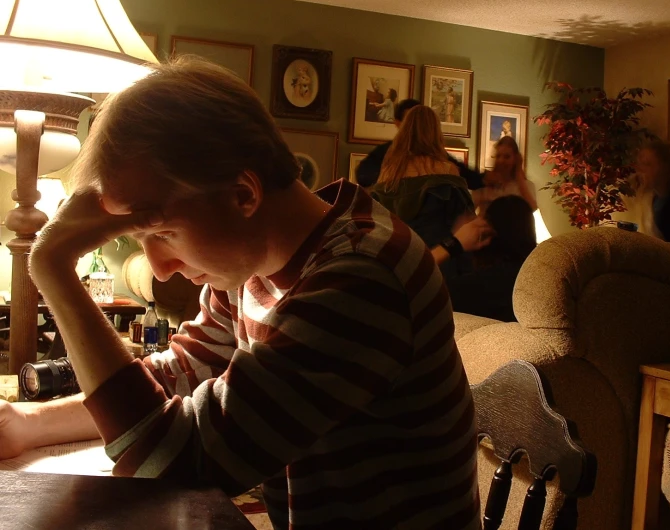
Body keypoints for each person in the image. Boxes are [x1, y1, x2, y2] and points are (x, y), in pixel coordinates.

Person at [1, 58, 480, 530]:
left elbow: (168, 464)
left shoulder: (360, 280)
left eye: (163, 231)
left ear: (243, 195)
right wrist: (26, 424)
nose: (161, 270)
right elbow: (177, 378)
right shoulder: (252, 266)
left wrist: (53, 270)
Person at [370, 105, 490, 280]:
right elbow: (466, 226)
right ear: (435, 133)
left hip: (397, 266)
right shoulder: (446, 170)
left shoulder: (388, 174)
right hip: (439, 265)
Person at [356, 98, 495, 193]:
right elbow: (363, 175)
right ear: (398, 123)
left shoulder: (442, 161)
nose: (416, 127)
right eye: (410, 121)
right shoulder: (387, 156)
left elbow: (466, 176)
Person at [446, 195, 537, 322]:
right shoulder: (542, 278)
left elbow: (417, 295)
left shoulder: (471, 288)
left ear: (485, 233)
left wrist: (453, 245)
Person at [476, 136, 538, 211]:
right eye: (498, 156)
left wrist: (519, 177)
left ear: (515, 159)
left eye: (507, 157)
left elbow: (532, 208)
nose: (501, 160)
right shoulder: (485, 184)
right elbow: (468, 210)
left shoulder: (527, 186)